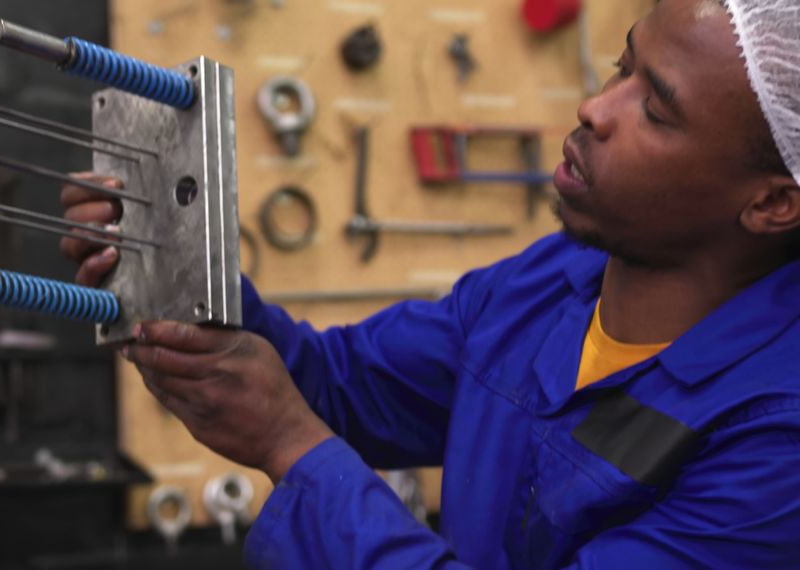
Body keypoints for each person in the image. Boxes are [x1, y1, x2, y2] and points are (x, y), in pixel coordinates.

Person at [60, 0, 800, 566]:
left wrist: (291, 445)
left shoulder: (776, 441)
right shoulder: (549, 284)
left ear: (771, 202)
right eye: (621, 64)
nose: (595, 106)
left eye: (656, 111)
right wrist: (179, 272)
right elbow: (338, 384)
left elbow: (298, 418)